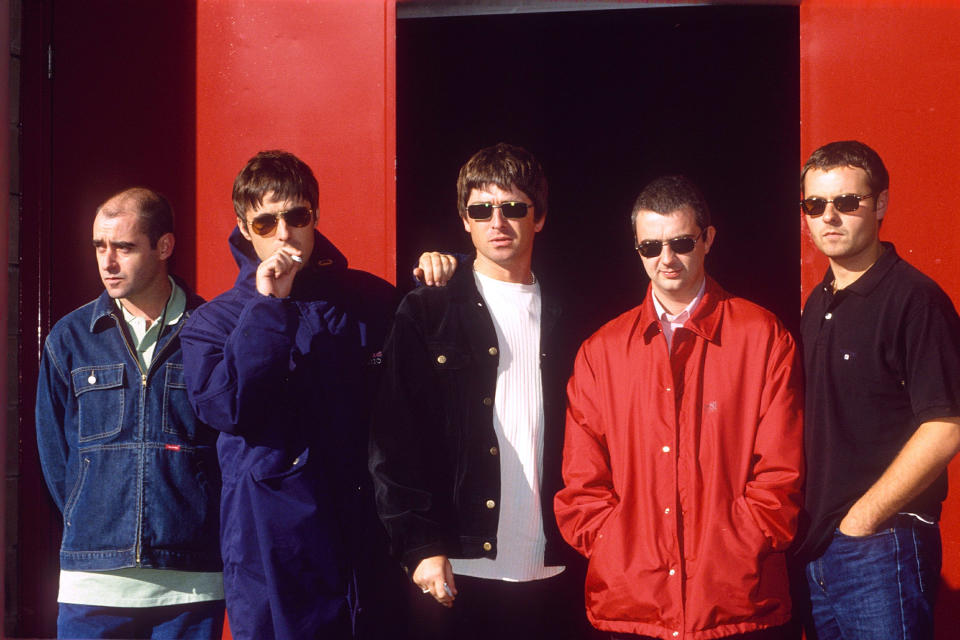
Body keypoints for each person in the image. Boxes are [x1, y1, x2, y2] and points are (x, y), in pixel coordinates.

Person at [555, 175, 804, 639]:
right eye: (651, 247)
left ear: (708, 239)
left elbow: (782, 473)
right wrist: (614, 547)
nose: (666, 259)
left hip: (737, 605)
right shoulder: (601, 351)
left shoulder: (763, 336)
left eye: (681, 242)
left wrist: (740, 546)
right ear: (637, 248)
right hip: (631, 607)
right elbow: (582, 484)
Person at [370, 143, 587, 640]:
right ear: (464, 220)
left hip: (556, 566)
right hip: (458, 567)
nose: (498, 222)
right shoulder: (428, 311)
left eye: (513, 208)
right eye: (481, 209)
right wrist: (420, 545)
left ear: (540, 217)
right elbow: (393, 442)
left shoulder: (572, 316)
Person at [179, 150, 397, 640]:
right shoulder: (214, 323)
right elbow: (228, 407)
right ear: (243, 227)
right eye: (265, 221)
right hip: (271, 546)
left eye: (297, 216)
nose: (283, 233)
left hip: (364, 536)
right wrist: (267, 306)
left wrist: (445, 276)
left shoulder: (368, 301)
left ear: (315, 216)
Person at [35, 188, 224, 639]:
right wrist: (93, 516)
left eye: (123, 246)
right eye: (100, 246)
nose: (108, 261)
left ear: (163, 247)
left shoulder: (211, 331)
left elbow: (228, 446)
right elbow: (54, 455)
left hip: (190, 581)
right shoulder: (71, 337)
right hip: (93, 581)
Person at [795, 140, 960, 639]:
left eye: (847, 202)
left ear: (881, 204)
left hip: (881, 547)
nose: (829, 217)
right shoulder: (815, 303)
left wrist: (862, 521)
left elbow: (945, 426)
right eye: (815, 205)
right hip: (820, 551)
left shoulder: (915, 300)